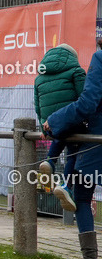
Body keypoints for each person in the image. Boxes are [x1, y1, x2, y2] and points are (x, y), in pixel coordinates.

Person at [44, 34, 102, 259]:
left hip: (97, 141)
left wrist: (55, 119)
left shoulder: (100, 58)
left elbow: (88, 103)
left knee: (82, 197)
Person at [34, 43, 84, 211]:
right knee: (73, 153)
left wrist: (44, 128)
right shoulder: (76, 71)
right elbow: (83, 99)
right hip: (71, 121)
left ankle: (50, 160)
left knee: (60, 133)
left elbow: (38, 107)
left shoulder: (39, 77)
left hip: (51, 124)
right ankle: (66, 185)